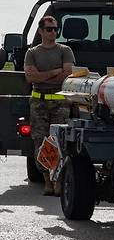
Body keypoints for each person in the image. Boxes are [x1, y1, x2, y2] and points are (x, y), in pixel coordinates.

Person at [23, 15, 75, 196]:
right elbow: (30, 77)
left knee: (59, 143)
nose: (53, 32)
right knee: (41, 142)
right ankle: (47, 181)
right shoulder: (33, 52)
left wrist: (43, 75)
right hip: (38, 102)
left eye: (55, 29)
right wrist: (54, 71)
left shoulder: (65, 50)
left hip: (59, 102)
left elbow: (67, 75)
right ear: (41, 31)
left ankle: (58, 180)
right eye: (49, 29)